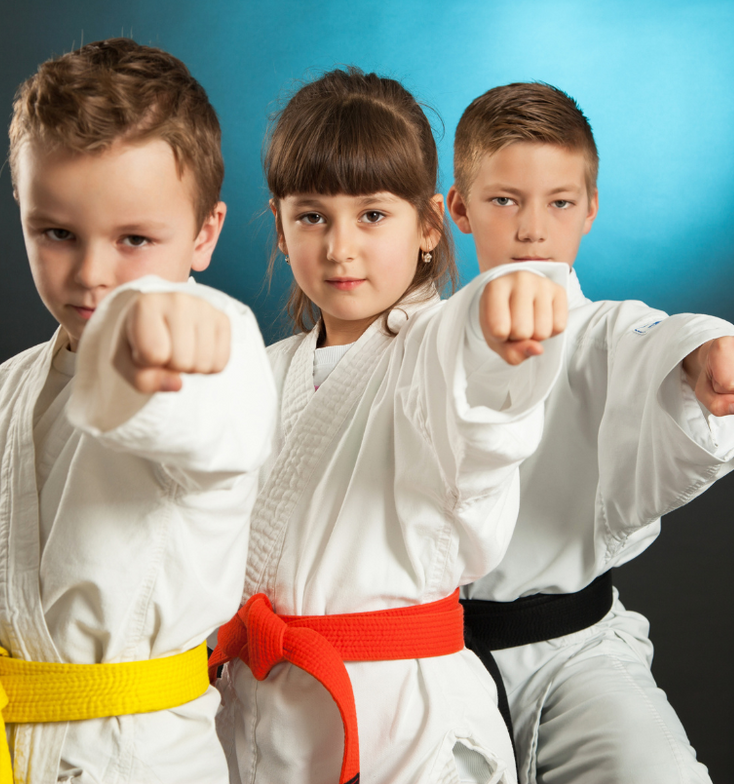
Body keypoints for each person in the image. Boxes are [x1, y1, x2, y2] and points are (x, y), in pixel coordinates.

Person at [0, 38, 275, 784]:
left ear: (204, 235)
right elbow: (59, 585)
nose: (93, 274)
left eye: (135, 239)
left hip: (133, 759)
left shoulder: (213, 355)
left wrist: (172, 338)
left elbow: (214, 427)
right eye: (57, 233)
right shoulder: (4, 388)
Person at [210, 67, 568, 784]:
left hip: (405, 730)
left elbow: (478, 374)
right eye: (312, 216)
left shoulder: (438, 347)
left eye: (373, 215)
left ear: (430, 225)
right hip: (252, 719)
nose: (340, 247)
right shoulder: (254, 367)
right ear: (280, 227)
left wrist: (513, 297)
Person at [447, 82, 734, 784]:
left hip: (575, 656)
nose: (533, 230)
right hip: (424, 666)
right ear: (458, 209)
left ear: (591, 210)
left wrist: (712, 354)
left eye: (560, 203)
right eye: (504, 200)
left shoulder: (604, 331)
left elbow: (660, 342)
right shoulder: (418, 341)